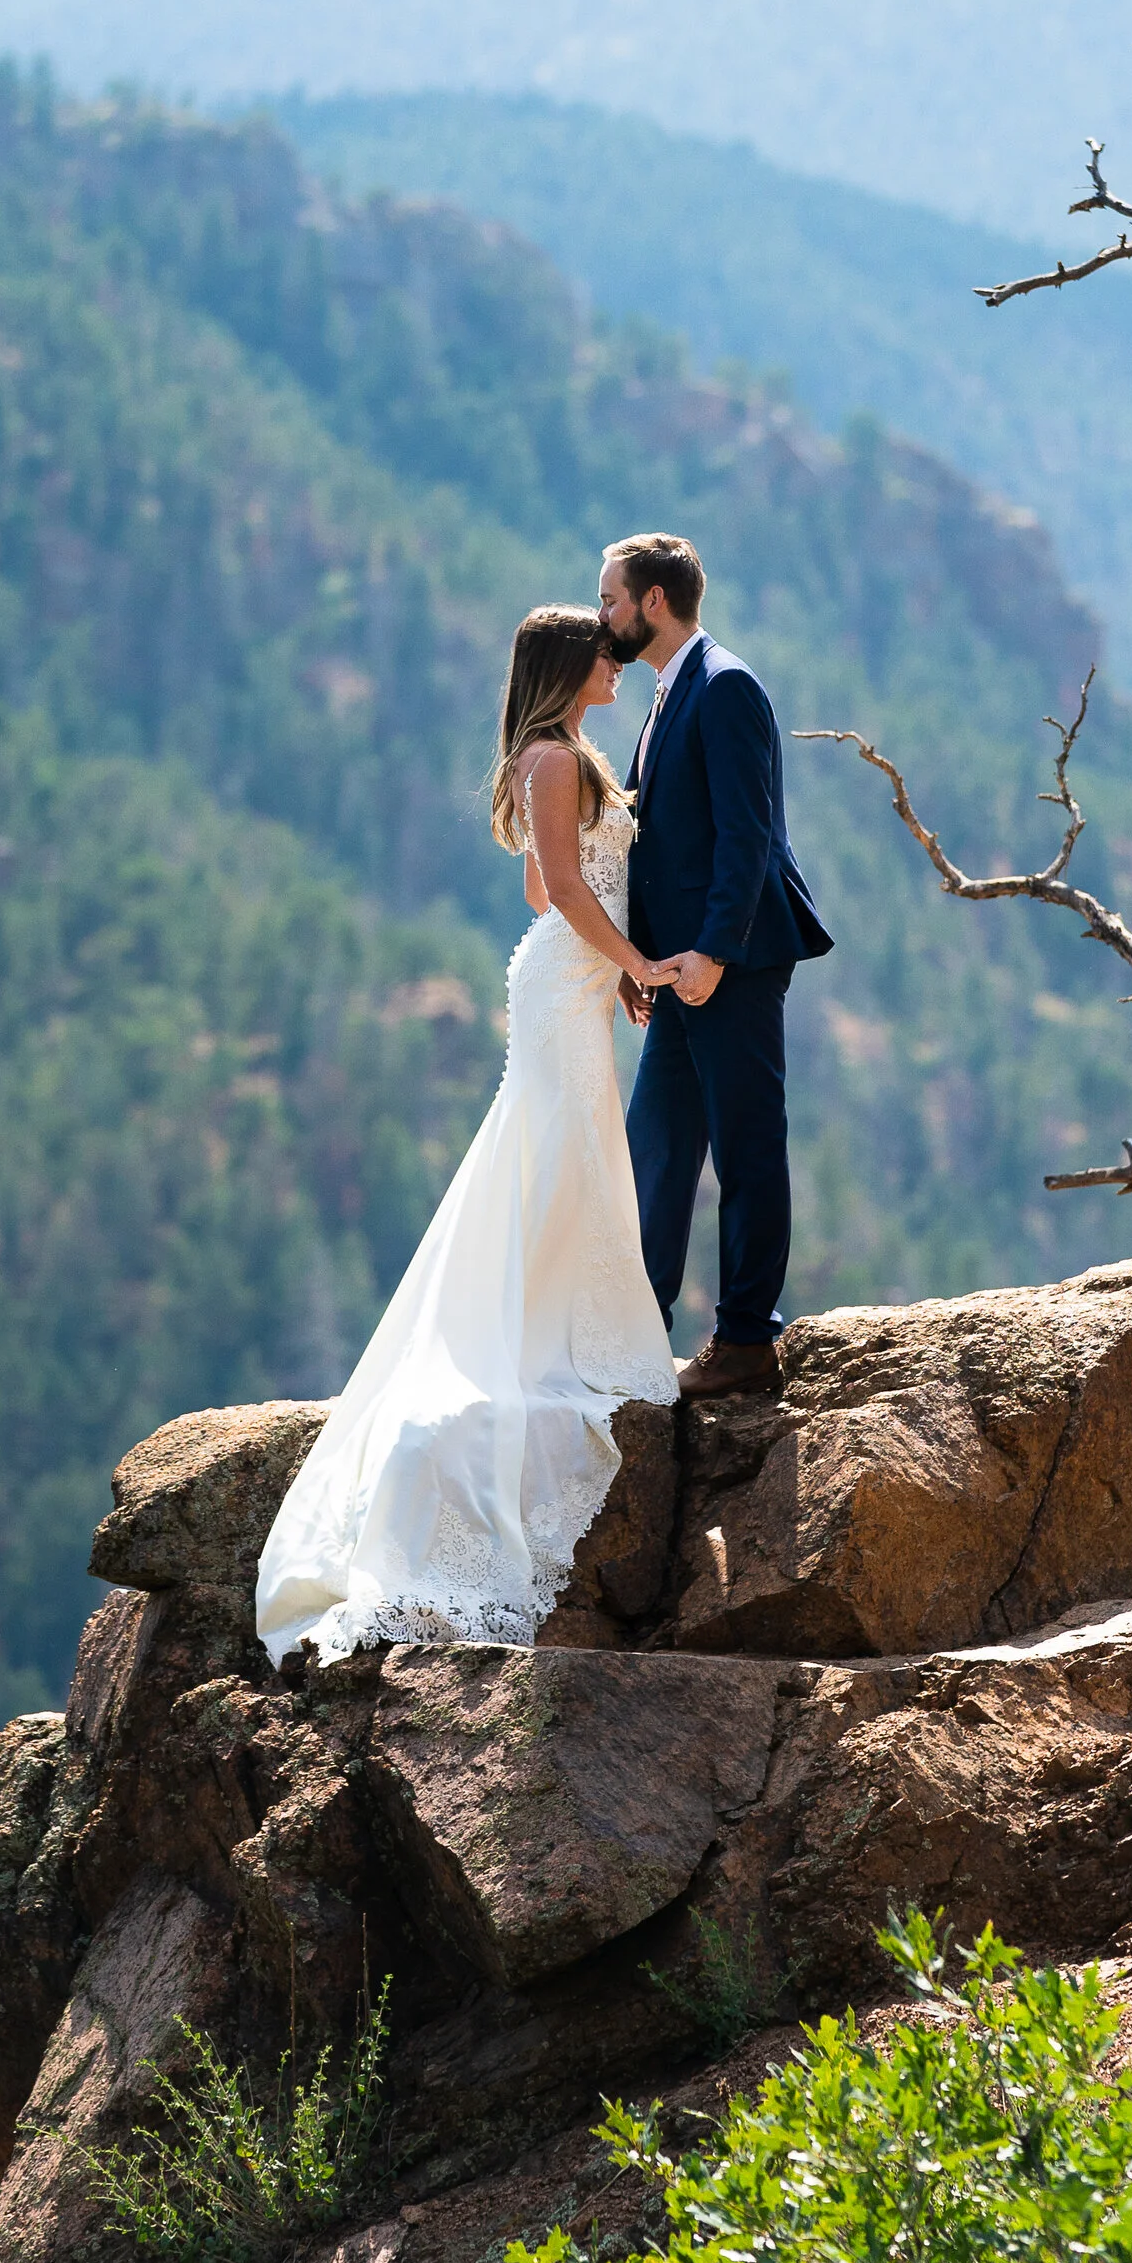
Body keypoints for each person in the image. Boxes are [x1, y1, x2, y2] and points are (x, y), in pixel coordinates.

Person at [256, 605, 681, 1663]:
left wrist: (611, 956)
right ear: (569, 663)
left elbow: (547, 884)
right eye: (605, 651)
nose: (617, 662)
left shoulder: (554, 756)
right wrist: (633, 963)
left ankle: (557, 1331)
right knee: (564, 1147)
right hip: (565, 981)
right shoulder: (553, 757)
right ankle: (552, 1344)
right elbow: (566, 886)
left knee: (567, 1148)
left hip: (568, 977)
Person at [597, 532, 833, 1400]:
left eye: (612, 599)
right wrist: (639, 956)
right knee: (655, 1146)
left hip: (731, 961)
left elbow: (748, 835)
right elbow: (664, 847)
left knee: (746, 1147)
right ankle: (633, 1333)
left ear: (655, 602)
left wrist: (714, 955)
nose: (605, 616)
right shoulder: (669, 692)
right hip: (677, 965)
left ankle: (745, 1341)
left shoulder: (726, 685)